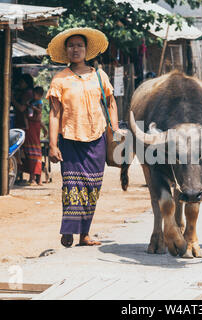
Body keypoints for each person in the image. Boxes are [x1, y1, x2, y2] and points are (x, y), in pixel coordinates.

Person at [46, 27, 127, 247]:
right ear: (66, 50)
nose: (75, 49)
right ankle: (69, 231)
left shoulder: (99, 75)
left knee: (93, 186)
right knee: (72, 186)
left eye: (79, 45)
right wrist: (52, 145)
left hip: (97, 138)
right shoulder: (59, 79)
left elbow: (111, 103)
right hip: (70, 139)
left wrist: (116, 129)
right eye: (71, 45)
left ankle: (85, 234)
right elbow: (54, 114)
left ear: (86, 49)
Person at [24, 86, 48, 186]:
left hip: (34, 128)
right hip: (31, 128)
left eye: (36, 94)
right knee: (30, 153)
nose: (34, 96)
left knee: (35, 153)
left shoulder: (38, 103)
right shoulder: (32, 102)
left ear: (40, 95)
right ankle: (33, 178)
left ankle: (37, 178)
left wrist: (31, 106)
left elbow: (38, 114)